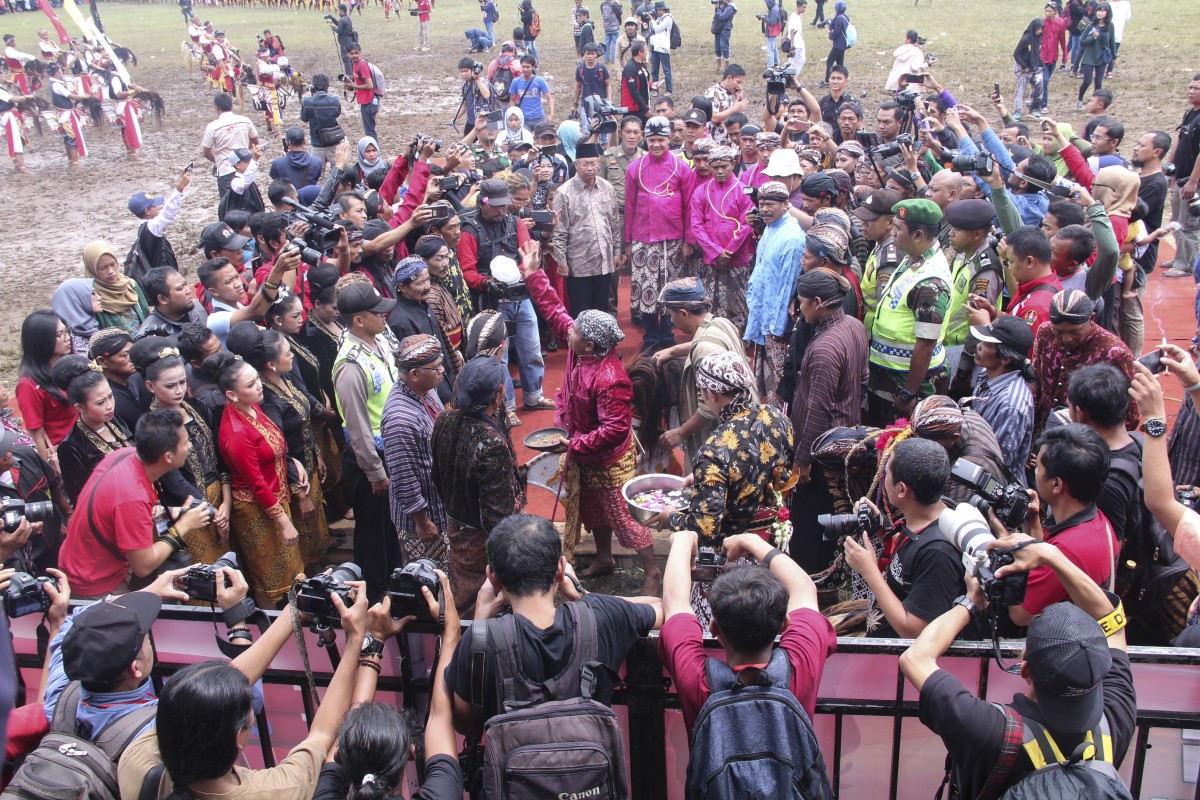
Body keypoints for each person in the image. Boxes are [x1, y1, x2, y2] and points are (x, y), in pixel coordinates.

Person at [899, 532, 1135, 799]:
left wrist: (972, 602)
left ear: (1025, 670)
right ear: (1100, 664)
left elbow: (915, 658)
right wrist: (1052, 555)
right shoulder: (1116, 716)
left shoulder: (990, 731)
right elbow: (1113, 622)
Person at [118, 577, 369, 800]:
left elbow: (201, 698)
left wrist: (291, 614)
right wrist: (357, 638)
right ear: (238, 737)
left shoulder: (136, 762)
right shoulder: (277, 790)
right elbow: (323, 735)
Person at [520, 242, 663, 593]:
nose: (566, 331)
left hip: (608, 458)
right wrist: (533, 274)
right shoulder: (579, 350)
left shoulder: (609, 377)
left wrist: (577, 443)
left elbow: (615, 429)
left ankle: (651, 571)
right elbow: (555, 311)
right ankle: (604, 556)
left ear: (588, 345)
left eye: (574, 332)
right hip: (582, 448)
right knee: (592, 510)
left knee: (622, 518)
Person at [445, 513, 663, 734]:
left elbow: (465, 724)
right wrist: (582, 593)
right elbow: (664, 607)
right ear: (560, 569)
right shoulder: (601, 616)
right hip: (591, 765)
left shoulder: (481, 640)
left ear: (492, 577)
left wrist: (480, 622)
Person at [659, 529, 836, 740]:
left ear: (713, 628)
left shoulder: (697, 680)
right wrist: (750, 540)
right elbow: (804, 587)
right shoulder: (800, 664)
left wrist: (683, 539)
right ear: (784, 624)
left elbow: (674, 600)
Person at [57, 410, 214, 599]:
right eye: (185, 443)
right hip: (94, 580)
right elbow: (143, 565)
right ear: (168, 457)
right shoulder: (133, 496)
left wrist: (174, 512)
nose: (189, 447)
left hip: (83, 560)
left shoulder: (124, 455)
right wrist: (184, 525)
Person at [844, 438, 981, 638]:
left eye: (886, 473)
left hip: (898, 662)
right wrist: (882, 529)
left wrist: (869, 571)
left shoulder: (938, 554)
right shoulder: (933, 514)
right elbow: (912, 556)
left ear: (901, 489)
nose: (883, 479)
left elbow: (914, 631)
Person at [661, 351, 794, 556]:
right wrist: (704, 477)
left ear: (712, 394)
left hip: (734, 553)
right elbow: (771, 470)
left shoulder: (713, 452)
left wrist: (670, 517)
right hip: (773, 541)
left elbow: (704, 530)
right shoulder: (776, 416)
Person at [202, 350, 305, 608]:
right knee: (268, 579)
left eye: (257, 379)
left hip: (276, 499)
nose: (259, 386)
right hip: (256, 510)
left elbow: (273, 447)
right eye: (250, 384)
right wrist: (283, 522)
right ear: (231, 395)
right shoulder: (236, 432)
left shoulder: (252, 407)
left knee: (291, 569)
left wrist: (293, 462)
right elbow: (256, 482)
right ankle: (270, 627)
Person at [789, 269, 868, 572]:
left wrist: (803, 458)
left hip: (823, 451)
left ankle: (811, 579)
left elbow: (818, 409)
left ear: (819, 302)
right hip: (847, 438)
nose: (800, 308)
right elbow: (863, 378)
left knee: (810, 524)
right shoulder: (854, 326)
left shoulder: (825, 348)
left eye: (803, 302)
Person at [430, 356, 524, 615]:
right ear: (498, 395)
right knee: (483, 596)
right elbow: (498, 519)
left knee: (462, 588)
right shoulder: (491, 443)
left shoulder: (444, 420)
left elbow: (437, 476)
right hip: (480, 539)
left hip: (455, 524)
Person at [457, 179, 553, 423]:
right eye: (496, 206)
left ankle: (534, 396)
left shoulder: (515, 221)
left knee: (531, 347)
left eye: (505, 205)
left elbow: (527, 251)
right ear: (482, 202)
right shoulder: (469, 231)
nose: (502, 210)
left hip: (520, 296)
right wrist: (487, 282)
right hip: (491, 301)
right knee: (501, 357)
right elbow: (467, 271)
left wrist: (520, 272)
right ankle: (507, 406)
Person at [131, 340, 230, 563]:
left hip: (222, 500)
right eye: (170, 386)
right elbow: (173, 481)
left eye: (182, 383)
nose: (179, 391)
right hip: (189, 508)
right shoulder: (152, 427)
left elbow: (220, 455)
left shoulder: (197, 407)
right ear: (150, 387)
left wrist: (226, 502)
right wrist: (211, 512)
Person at [333, 282, 400, 599]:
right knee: (372, 536)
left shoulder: (378, 341)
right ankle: (373, 597)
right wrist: (375, 472)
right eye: (378, 311)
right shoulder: (350, 365)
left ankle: (392, 584)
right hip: (369, 461)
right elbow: (357, 427)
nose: (385, 315)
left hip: (387, 452)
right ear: (358, 319)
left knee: (388, 529)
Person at [867, 199, 953, 426]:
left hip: (908, 380)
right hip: (890, 374)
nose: (892, 233)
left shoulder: (930, 282)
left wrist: (909, 393)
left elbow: (925, 344)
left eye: (897, 229)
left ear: (918, 235)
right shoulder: (914, 258)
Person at [654, 278, 756, 464]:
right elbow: (707, 340)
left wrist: (680, 432)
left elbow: (709, 408)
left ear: (683, 313)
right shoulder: (722, 322)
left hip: (725, 436)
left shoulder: (704, 352)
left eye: (671, 315)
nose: (671, 321)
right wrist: (673, 351)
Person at [1030, 290, 1138, 441]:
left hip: (1085, 443)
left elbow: (1129, 414)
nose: (1066, 339)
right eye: (1059, 332)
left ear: (1091, 318)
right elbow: (1036, 381)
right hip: (1044, 433)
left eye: (1074, 332)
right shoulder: (1045, 333)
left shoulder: (1114, 351)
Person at [380, 334, 449, 570]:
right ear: (414, 374)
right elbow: (403, 477)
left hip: (439, 504)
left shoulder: (426, 390)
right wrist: (422, 521)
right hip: (422, 519)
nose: (442, 370)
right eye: (435, 367)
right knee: (429, 577)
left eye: (441, 363)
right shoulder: (401, 418)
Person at [744, 181, 806, 405]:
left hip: (777, 326)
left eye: (770, 204)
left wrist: (777, 327)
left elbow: (787, 286)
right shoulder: (770, 228)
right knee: (765, 383)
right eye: (761, 204)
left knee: (779, 385)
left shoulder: (792, 238)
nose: (764, 209)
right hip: (764, 317)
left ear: (786, 204)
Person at [687, 146, 755, 330]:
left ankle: (738, 345)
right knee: (711, 304)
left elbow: (746, 224)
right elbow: (697, 226)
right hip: (712, 259)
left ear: (733, 164)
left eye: (724, 166)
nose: (719, 171)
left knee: (739, 305)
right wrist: (716, 252)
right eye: (715, 167)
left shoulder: (743, 191)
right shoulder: (701, 191)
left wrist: (729, 251)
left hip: (737, 258)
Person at [552, 142, 622, 316]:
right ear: (576, 165)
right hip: (578, 264)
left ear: (599, 164)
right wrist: (562, 262)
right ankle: (580, 344)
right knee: (580, 311)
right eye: (585, 163)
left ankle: (601, 344)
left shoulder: (607, 188)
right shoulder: (564, 192)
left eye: (593, 163)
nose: (590, 168)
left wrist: (617, 251)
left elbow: (614, 222)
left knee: (602, 310)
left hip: (604, 261)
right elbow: (559, 231)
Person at [53, 357, 132, 506]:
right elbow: (81, 499)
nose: (110, 406)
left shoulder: (113, 420)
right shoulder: (71, 446)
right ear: (80, 407)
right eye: (100, 402)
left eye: (111, 397)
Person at [966, 316, 1035, 486]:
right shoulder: (986, 374)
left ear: (1005, 358)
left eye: (988, 344)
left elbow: (997, 462)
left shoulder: (1011, 406)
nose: (979, 346)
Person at [942, 198, 1005, 383]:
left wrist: (963, 370)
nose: (951, 234)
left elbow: (978, 325)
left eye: (958, 230)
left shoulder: (984, 270)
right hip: (949, 345)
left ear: (977, 233)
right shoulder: (963, 253)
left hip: (965, 352)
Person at [17, 310, 77, 468]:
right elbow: (37, 434)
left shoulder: (70, 365)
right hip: (67, 454)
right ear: (41, 340)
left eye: (67, 332)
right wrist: (52, 477)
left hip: (87, 441)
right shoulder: (28, 385)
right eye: (59, 334)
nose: (67, 338)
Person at [1161, 74, 1200, 281]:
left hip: (1192, 182)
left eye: (1196, 88)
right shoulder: (1189, 113)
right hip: (1181, 176)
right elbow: (1180, 140)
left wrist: (1193, 181)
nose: (1191, 91)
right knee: (1176, 219)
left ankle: (1186, 264)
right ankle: (1179, 257)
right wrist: (1171, 169)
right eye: (1190, 87)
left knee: (1189, 224)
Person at [126, 166, 189, 275]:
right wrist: (179, 188)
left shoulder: (144, 229)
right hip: (164, 277)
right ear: (148, 211)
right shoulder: (150, 228)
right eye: (154, 206)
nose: (157, 208)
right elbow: (167, 213)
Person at [82, 241, 149, 336]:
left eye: (112, 264)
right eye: (103, 268)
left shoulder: (130, 285)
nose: (110, 271)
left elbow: (147, 315)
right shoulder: (92, 297)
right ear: (92, 269)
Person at [201, 93, 260, 199]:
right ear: (232, 106)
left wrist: (217, 161)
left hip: (225, 169)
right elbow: (255, 142)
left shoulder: (212, 127)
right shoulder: (245, 120)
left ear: (217, 108)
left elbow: (206, 152)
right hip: (245, 168)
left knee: (229, 208)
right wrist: (244, 151)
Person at [137, 268, 210, 337]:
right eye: (180, 288)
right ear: (163, 299)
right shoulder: (152, 335)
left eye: (185, 284)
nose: (188, 291)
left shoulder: (196, 306)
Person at [300, 74, 344, 171]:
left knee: (317, 175)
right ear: (327, 86)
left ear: (313, 87)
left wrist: (310, 97)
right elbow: (337, 114)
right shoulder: (335, 100)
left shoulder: (307, 102)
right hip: (333, 142)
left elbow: (304, 118)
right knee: (337, 172)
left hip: (317, 144)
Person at [1076, 2, 1114, 111]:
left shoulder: (1110, 26)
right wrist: (1093, 38)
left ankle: (1095, 105)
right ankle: (1079, 99)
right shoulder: (1090, 26)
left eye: (1103, 11)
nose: (1100, 13)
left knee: (1098, 83)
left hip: (1101, 58)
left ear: (1107, 13)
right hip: (1089, 57)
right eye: (1098, 10)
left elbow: (1111, 42)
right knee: (1087, 81)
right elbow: (1082, 42)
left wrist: (1114, 56)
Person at [270, 127, 323, 192]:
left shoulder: (277, 163)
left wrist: (285, 158)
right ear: (305, 141)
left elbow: (276, 179)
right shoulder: (316, 162)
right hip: (309, 199)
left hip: (288, 200)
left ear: (287, 143)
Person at [344, 46, 379, 141]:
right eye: (352, 53)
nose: (354, 55)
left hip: (369, 101)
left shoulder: (362, 65)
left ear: (360, 52)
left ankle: (374, 152)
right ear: (348, 54)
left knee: (370, 132)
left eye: (356, 53)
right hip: (365, 101)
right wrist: (351, 86)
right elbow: (360, 84)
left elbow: (369, 85)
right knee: (370, 130)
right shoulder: (355, 65)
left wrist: (355, 86)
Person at [509, 55, 553, 129]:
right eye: (523, 66)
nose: (525, 69)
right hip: (523, 119)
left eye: (528, 67)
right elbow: (512, 99)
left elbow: (549, 98)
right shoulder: (515, 81)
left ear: (533, 67)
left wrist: (551, 114)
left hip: (538, 118)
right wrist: (514, 115)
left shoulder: (539, 81)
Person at [648, 1, 674, 96]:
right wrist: (652, 20)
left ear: (662, 10)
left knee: (666, 69)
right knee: (654, 69)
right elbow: (652, 30)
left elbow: (658, 29)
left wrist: (652, 20)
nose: (656, 12)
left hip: (663, 46)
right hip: (655, 45)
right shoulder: (658, 18)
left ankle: (669, 89)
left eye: (657, 10)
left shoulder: (668, 18)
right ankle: (655, 88)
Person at [621, 41, 652, 121]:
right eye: (646, 50)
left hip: (641, 107)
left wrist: (651, 85)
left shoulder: (641, 65)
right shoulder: (630, 68)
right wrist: (645, 109)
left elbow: (641, 83)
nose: (647, 52)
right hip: (633, 110)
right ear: (640, 53)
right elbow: (634, 91)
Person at [823, 0, 849, 84]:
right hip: (843, 44)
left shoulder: (839, 18)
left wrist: (830, 33)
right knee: (840, 63)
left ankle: (827, 80)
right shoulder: (845, 16)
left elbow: (836, 32)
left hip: (838, 45)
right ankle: (842, 79)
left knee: (829, 61)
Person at [330, 3, 358, 75]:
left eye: (338, 10)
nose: (338, 12)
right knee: (350, 59)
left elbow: (340, 30)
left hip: (344, 42)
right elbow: (340, 25)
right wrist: (332, 18)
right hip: (349, 41)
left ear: (342, 10)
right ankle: (353, 74)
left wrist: (333, 28)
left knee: (346, 60)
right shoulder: (347, 18)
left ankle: (349, 76)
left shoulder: (343, 20)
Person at [711, 0, 736, 74]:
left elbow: (722, 17)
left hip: (725, 30)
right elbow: (716, 16)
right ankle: (718, 67)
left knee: (725, 48)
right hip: (718, 29)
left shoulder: (731, 7)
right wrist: (717, 8)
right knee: (717, 48)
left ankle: (727, 68)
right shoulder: (723, 6)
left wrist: (718, 8)